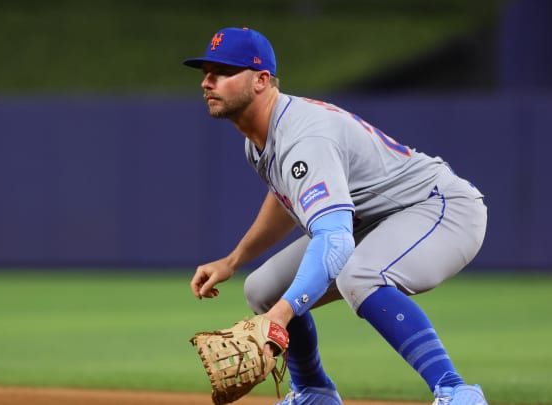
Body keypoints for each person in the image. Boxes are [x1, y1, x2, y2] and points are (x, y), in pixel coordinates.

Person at [184, 27, 489, 405]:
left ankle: (456, 390)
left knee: (359, 275)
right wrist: (233, 261)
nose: (208, 82)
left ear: (261, 80)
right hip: (376, 219)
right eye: (205, 72)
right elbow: (285, 199)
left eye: (224, 71)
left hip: (439, 209)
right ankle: (314, 393)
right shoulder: (259, 140)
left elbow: (335, 239)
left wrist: (279, 319)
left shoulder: (304, 137)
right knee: (262, 290)